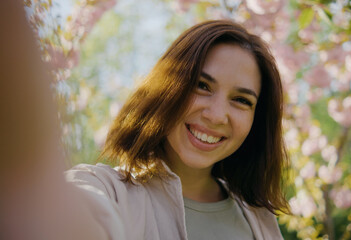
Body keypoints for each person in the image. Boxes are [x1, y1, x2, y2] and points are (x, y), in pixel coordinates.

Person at [1, 1, 289, 238]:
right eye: (201, 85)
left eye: (241, 100)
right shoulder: (107, 191)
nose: (215, 115)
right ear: (167, 88)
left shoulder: (259, 220)